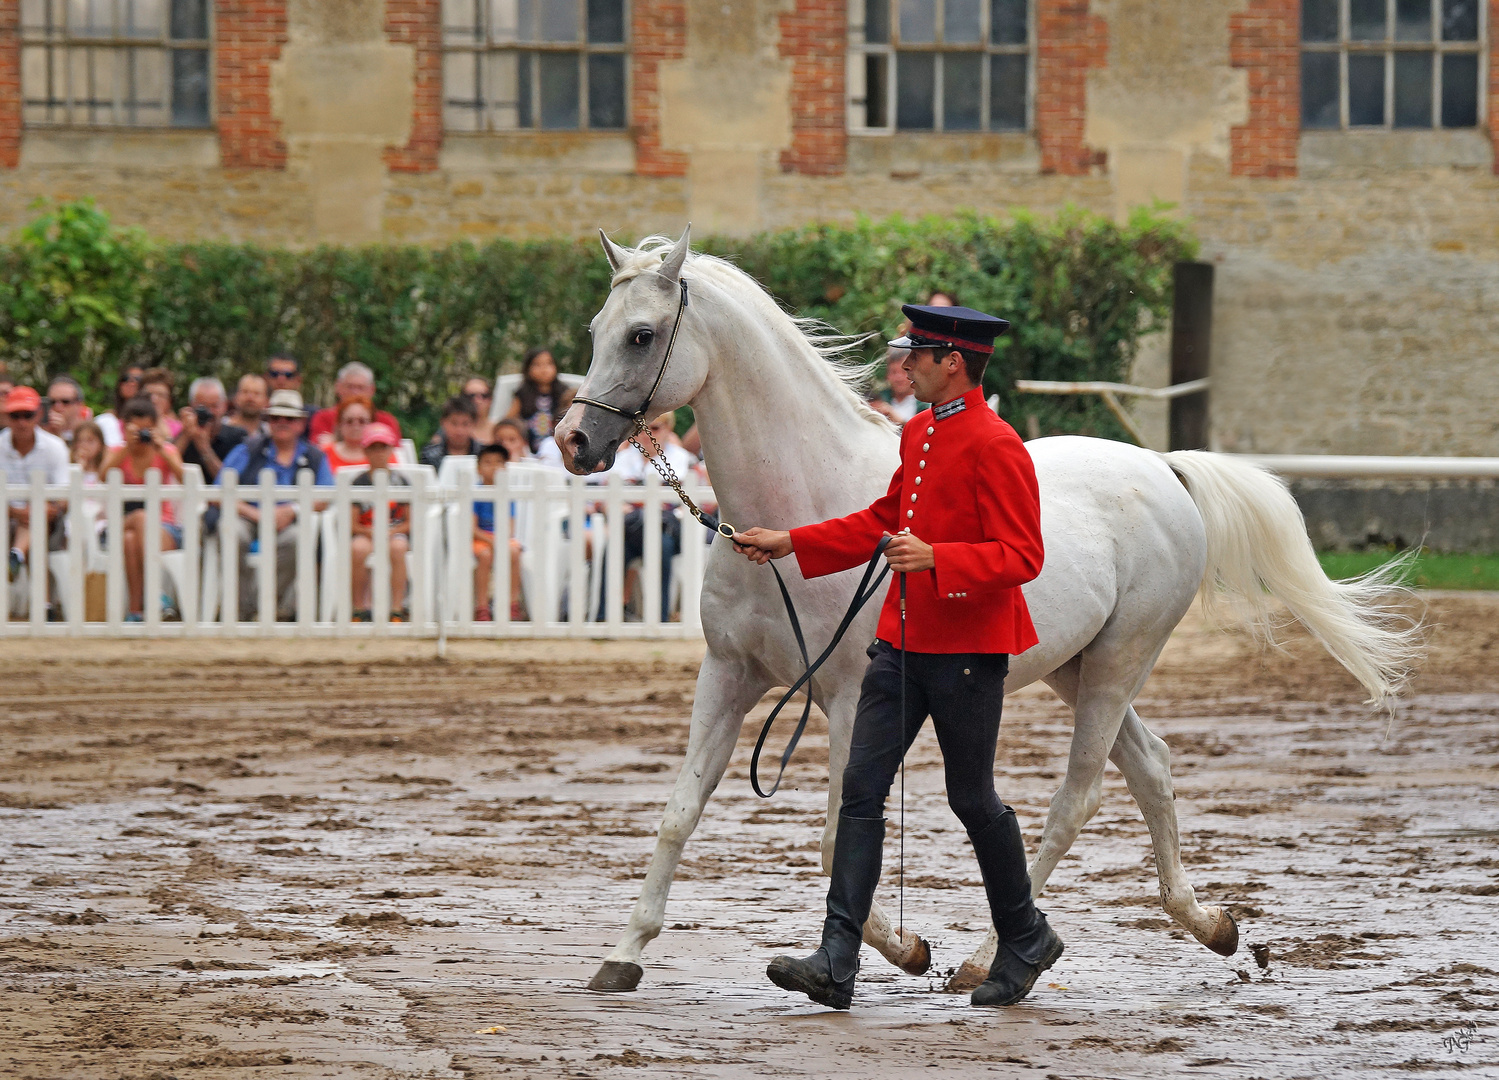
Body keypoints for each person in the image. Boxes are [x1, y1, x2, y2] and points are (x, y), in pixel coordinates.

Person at [731, 303, 1054, 1011]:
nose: (904, 366)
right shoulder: (919, 433)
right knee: (859, 789)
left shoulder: (997, 445)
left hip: (968, 650)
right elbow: (883, 522)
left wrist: (939, 558)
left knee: (971, 798)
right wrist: (793, 541)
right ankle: (836, 959)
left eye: (918, 356)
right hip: (900, 644)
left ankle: (1025, 935)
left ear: (954, 364)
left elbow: (1023, 556)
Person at [216, 389, 333, 621]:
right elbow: (221, 490)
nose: (282, 423)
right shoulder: (247, 450)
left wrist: (293, 510)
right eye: (276, 418)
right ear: (267, 421)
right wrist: (257, 514)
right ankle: (242, 609)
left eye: (289, 419)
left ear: (301, 423)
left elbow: (326, 496)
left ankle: (267, 606)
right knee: (231, 532)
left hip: (290, 521)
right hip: (248, 516)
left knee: (298, 539)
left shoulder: (315, 457)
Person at [100, 397, 185, 621]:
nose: (142, 434)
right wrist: (127, 448)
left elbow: (186, 479)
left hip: (164, 527)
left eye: (147, 428)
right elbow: (102, 476)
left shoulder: (165, 450)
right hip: (123, 520)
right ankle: (156, 592)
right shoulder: (117, 451)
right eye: (136, 429)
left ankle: (135, 611)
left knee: (131, 539)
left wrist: (162, 449)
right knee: (139, 518)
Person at [2, 386, 70, 586]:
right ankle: (44, 606)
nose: (22, 422)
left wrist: (48, 509)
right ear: (7, 416)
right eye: (16, 415)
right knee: (32, 521)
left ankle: (16, 555)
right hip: (6, 518)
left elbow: (64, 496)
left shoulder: (55, 447)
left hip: (49, 521)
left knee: (36, 518)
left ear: (39, 414)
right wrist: (15, 512)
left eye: (28, 415)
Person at [349, 423, 409, 622]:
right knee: (357, 549)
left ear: (391, 450)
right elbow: (352, 522)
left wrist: (390, 532)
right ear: (365, 451)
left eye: (383, 447)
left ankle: (397, 608)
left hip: (395, 532)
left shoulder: (401, 481)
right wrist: (370, 533)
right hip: (367, 533)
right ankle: (358, 608)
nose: (378, 453)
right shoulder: (358, 482)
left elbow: (410, 521)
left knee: (399, 548)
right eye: (373, 448)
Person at [472, 441, 525, 622]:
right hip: (481, 539)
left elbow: (510, 527)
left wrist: (500, 540)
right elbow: (472, 528)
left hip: (501, 538)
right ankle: (482, 606)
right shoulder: (476, 494)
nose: (494, 467)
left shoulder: (506, 495)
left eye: (499, 462)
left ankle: (513, 603)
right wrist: (490, 541)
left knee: (514, 552)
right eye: (487, 462)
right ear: (478, 468)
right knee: (485, 556)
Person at [309, 362, 401, 446]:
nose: (355, 393)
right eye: (350, 387)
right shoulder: (323, 418)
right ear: (338, 387)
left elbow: (394, 451)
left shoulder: (386, 421)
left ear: (372, 390)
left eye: (360, 388)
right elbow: (317, 449)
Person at [175, 376, 246, 482]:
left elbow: (229, 482)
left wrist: (204, 448)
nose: (209, 413)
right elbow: (166, 470)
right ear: (191, 406)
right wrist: (186, 434)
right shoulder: (183, 436)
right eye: (202, 407)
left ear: (224, 406)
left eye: (214, 406)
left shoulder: (237, 437)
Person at [506, 347, 574, 453]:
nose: (544, 369)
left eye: (549, 364)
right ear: (528, 369)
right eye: (537, 365)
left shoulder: (564, 392)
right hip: (528, 449)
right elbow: (509, 420)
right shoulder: (523, 393)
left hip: (557, 449)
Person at [419, 394, 478, 469]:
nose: (459, 430)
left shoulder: (483, 454)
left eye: (465, 424)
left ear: (474, 424)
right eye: (454, 423)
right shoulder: (430, 454)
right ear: (443, 422)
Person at [95, 364, 145, 448]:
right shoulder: (108, 418)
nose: (130, 382)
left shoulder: (150, 420)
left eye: (137, 379)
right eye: (125, 378)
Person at [322, 397, 372, 471]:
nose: (356, 426)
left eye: (362, 421)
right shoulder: (324, 453)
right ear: (339, 424)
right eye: (349, 421)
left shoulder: (383, 453)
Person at [223, 373, 269, 441]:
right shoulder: (221, 428)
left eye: (256, 393)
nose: (250, 398)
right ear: (236, 397)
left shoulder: (269, 433)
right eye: (245, 392)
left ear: (266, 401)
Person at [44, 376, 90, 443]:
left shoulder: (91, 434)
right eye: (52, 402)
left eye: (65, 402)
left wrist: (58, 435)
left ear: (79, 405)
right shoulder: (39, 431)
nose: (57, 407)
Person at [139, 369, 182, 439]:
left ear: (169, 401)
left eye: (161, 395)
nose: (153, 400)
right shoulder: (124, 424)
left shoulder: (179, 429)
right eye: (148, 394)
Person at [463, 376, 497, 444]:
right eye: (471, 396)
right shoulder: (450, 432)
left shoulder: (501, 430)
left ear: (490, 400)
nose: (478, 401)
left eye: (484, 396)